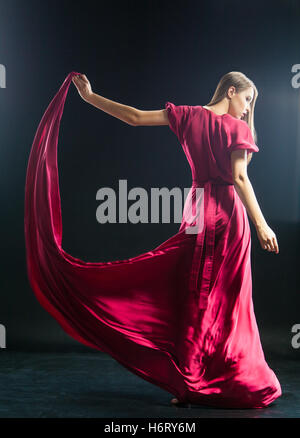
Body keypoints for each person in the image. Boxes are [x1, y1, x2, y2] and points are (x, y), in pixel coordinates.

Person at [25, 71, 281, 410]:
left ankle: (190, 378)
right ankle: (208, 378)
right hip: (227, 217)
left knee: (194, 297)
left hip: (197, 211)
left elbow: (133, 117)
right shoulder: (238, 129)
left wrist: (90, 98)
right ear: (231, 91)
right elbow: (238, 177)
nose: (247, 110)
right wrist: (262, 225)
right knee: (225, 302)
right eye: (247, 100)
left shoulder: (187, 115)